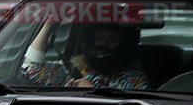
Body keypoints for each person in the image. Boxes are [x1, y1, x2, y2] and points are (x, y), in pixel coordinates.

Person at [21, 21, 149, 90]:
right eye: (100, 39)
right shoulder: (73, 69)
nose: (104, 44)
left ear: (123, 45)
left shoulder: (134, 80)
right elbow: (31, 70)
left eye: (112, 40)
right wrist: (49, 24)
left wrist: (93, 92)